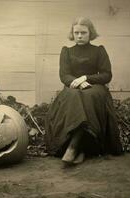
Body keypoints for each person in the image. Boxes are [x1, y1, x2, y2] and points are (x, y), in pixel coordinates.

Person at [45, 17, 123, 165]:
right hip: (73, 86)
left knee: (90, 96)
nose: (79, 36)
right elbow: (64, 75)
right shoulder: (66, 52)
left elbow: (107, 75)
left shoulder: (99, 51)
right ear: (72, 34)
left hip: (95, 87)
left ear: (90, 33)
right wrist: (78, 83)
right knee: (74, 96)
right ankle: (82, 149)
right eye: (76, 33)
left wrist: (86, 78)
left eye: (83, 32)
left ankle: (74, 147)